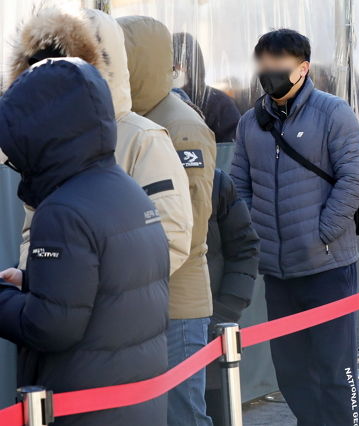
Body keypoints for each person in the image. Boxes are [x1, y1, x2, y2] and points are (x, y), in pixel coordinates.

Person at [0, 57, 170, 425]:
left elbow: (50, 326)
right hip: (135, 399)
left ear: (39, 136)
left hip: (86, 407)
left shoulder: (62, 210)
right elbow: (113, 287)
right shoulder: (126, 190)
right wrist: (32, 281)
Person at [231, 29, 359, 425]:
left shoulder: (333, 112)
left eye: (279, 64)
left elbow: (355, 175)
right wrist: (255, 232)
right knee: (291, 369)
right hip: (278, 269)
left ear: (303, 68)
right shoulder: (249, 123)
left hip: (327, 265)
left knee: (335, 369)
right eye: (264, 64)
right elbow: (239, 184)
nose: (269, 71)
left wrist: (323, 231)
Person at [8, 8, 193, 275]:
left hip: (116, 312)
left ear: (99, 67)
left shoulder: (142, 139)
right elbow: (34, 234)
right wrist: (29, 276)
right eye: (39, 67)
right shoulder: (46, 145)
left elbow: (170, 239)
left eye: (65, 66)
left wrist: (85, 284)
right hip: (54, 311)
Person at [118, 15, 217, 426]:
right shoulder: (132, 119)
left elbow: (187, 227)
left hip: (175, 300)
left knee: (181, 414)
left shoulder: (180, 126)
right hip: (145, 293)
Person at [204, 169, 260, 423]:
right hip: (153, 342)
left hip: (213, 330)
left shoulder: (215, 182)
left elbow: (244, 248)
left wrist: (225, 312)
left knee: (218, 411)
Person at [173, 32, 242, 142]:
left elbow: (229, 150)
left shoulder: (218, 103)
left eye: (180, 65)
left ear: (193, 66)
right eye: (171, 66)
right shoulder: (159, 101)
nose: (176, 71)